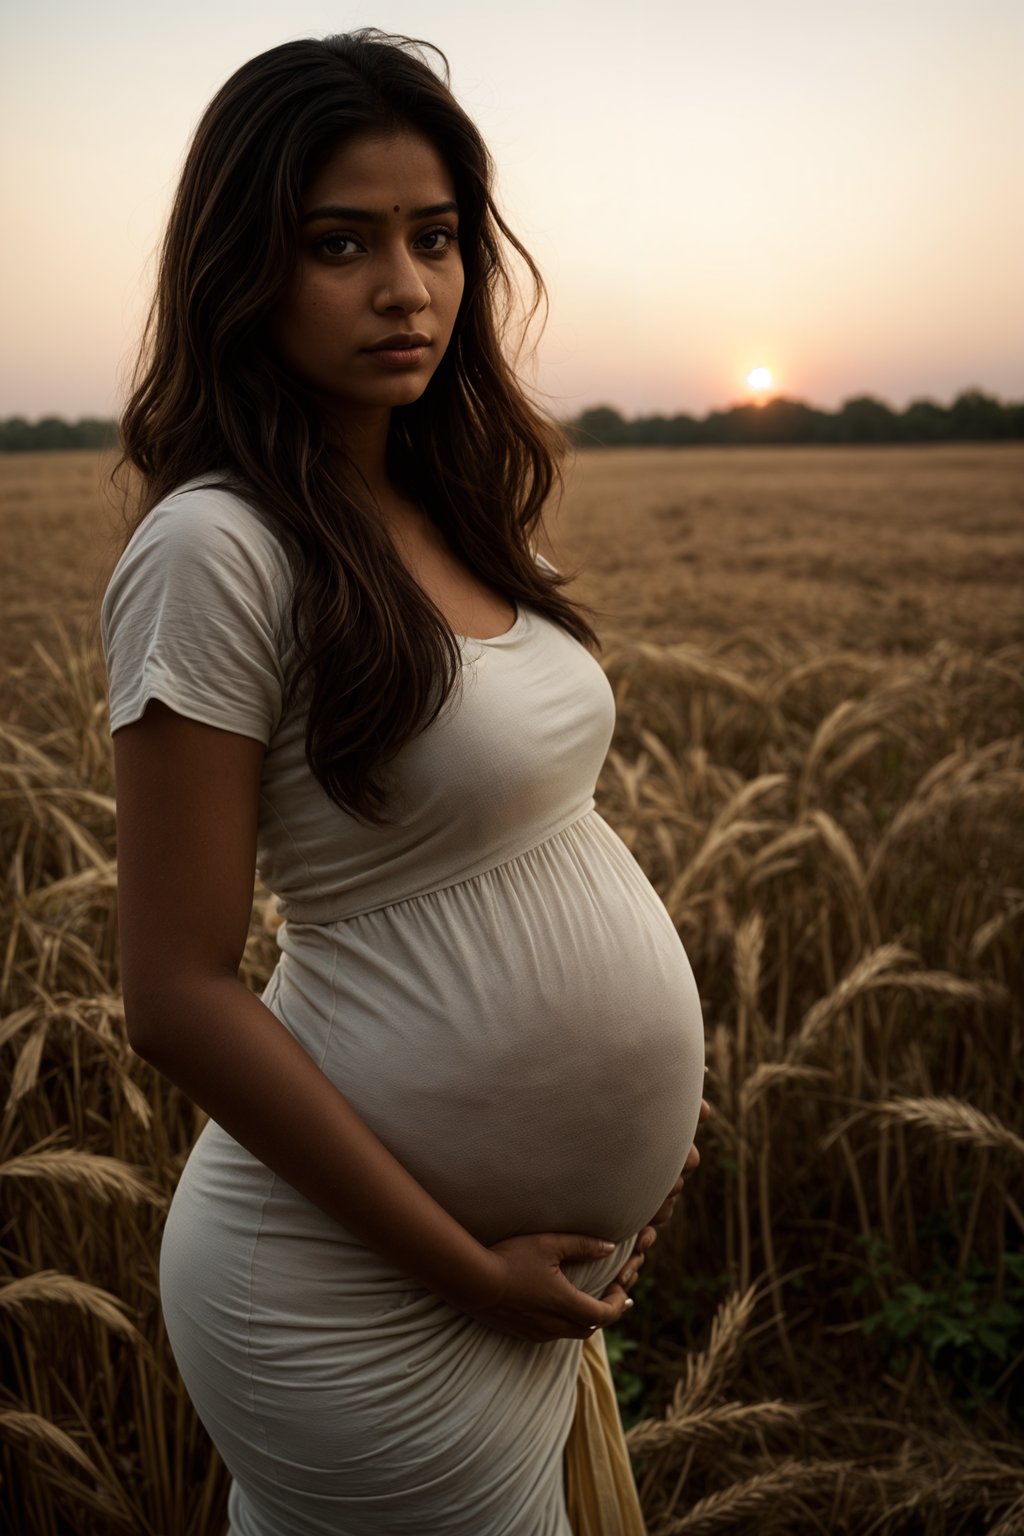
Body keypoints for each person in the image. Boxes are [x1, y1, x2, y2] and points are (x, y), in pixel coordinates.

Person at [101, 30, 707, 1536]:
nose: (408, 287)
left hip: (514, 1269)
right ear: (247, 268)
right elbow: (174, 992)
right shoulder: (214, 548)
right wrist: (459, 1260)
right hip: (349, 1291)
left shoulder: (456, 507)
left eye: (436, 238)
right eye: (341, 244)